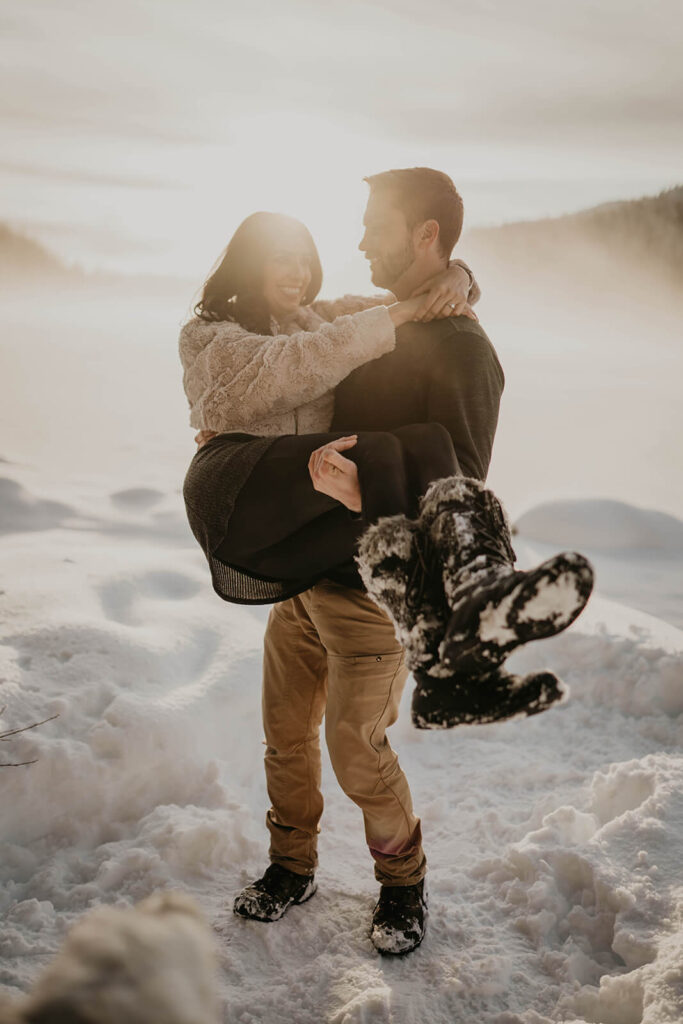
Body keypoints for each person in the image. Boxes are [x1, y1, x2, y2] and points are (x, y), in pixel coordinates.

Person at [179, 171, 593, 954]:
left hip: (372, 595)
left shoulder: (464, 347)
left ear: (425, 234)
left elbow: (459, 473)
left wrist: (369, 488)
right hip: (306, 573)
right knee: (284, 737)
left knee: (354, 749)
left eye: (375, 225)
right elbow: (301, 354)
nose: (359, 240)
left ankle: (402, 885)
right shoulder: (380, 319)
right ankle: (288, 866)